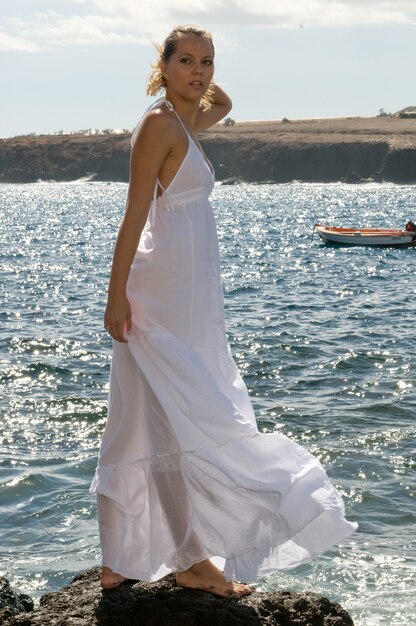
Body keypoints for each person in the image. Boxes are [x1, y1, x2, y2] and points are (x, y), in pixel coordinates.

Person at [90, 24, 357, 599]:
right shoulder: (159, 125)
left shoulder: (186, 121)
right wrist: (115, 296)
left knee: (149, 421)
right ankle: (189, 560)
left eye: (207, 62)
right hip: (158, 294)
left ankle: (121, 560)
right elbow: (133, 216)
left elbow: (227, 102)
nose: (200, 72)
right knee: (175, 422)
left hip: (191, 300)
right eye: (185, 61)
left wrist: (197, 82)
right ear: (161, 65)